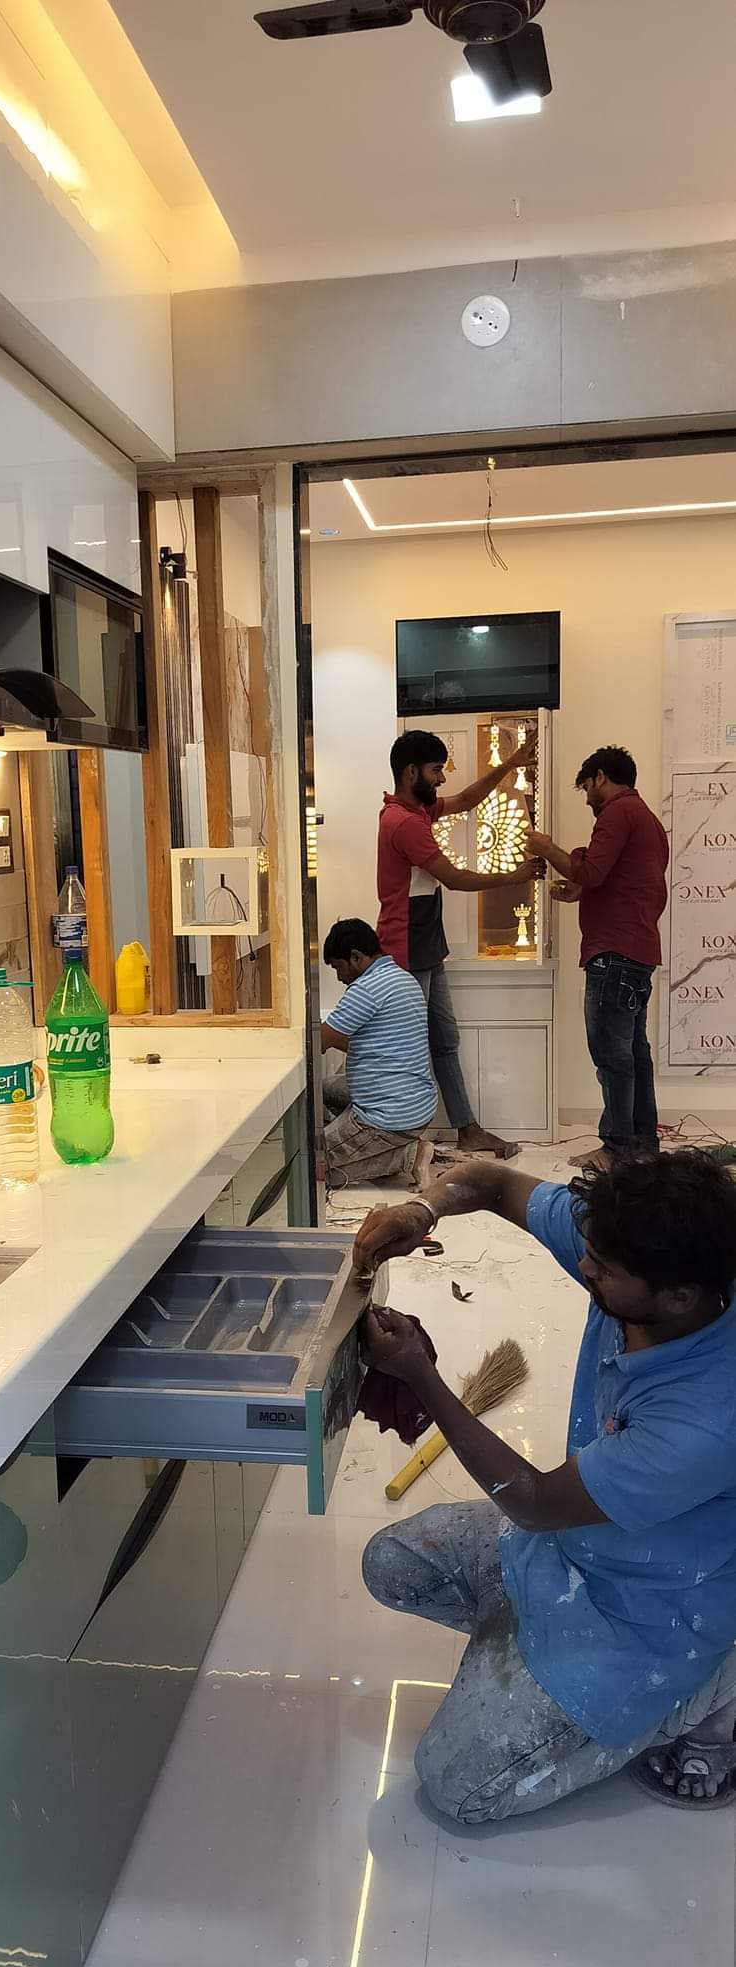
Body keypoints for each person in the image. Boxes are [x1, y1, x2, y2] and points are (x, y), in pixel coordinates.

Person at [353, 1150, 736, 1825]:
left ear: (679, 1298)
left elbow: (532, 1501)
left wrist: (419, 1374)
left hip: (654, 1613)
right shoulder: (631, 1244)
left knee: (456, 1786)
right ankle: (534, 1653)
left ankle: (708, 1690)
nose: (583, 1266)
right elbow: (491, 1180)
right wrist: (422, 1209)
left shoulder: (704, 1418)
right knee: (391, 1564)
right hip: (576, 1546)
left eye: (603, 1269)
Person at [377, 728, 542, 1161]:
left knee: (444, 1040)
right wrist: (514, 877)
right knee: (412, 1047)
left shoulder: (416, 811)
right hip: (407, 951)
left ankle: (466, 1130)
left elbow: (467, 799)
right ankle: (406, 1146)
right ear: (411, 772)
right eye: (436, 770)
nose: (442, 778)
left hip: (427, 947)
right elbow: (453, 878)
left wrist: (509, 765)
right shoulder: (404, 823)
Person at [529, 746, 669, 1168]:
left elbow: (592, 871)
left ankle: (616, 1149)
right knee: (635, 1054)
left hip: (614, 953)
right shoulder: (647, 819)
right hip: (637, 951)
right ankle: (642, 1145)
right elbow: (619, 879)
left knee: (612, 1056)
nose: (588, 798)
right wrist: (585, 890)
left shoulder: (617, 813)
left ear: (601, 777)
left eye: (587, 788)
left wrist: (547, 848)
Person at [320, 919, 437, 1189]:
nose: (338, 977)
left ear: (356, 957)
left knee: (311, 1167)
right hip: (415, 1102)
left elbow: (320, 1041)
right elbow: (378, 1043)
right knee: (326, 1089)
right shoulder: (403, 978)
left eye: (338, 967)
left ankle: (407, 1156)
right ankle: (372, 1146)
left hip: (388, 1115)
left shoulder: (366, 989)